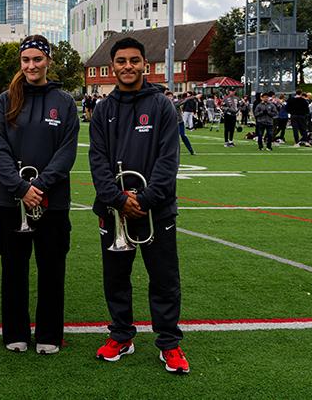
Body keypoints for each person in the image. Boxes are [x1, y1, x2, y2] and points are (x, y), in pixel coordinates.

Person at [88, 37, 188, 374]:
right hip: (114, 209)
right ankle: (121, 335)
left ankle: (169, 343)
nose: (127, 66)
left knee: (163, 278)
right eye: (121, 61)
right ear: (113, 66)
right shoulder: (103, 109)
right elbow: (97, 160)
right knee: (116, 277)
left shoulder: (161, 106)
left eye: (134, 60)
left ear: (145, 63)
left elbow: (167, 160)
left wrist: (144, 200)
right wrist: (118, 199)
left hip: (155, 209)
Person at [0, 35, 79, 355]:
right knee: (13, 269)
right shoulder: (5, 100)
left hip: (51, 201)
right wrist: (20, 187)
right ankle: (15, 332)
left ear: (48, 62)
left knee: (52, 269)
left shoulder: (65, 101)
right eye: (26, 60)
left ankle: (49, 334)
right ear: (20, 63)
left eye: (37, 59)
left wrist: (39, 186)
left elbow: (67, 152)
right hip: (10, 200)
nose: (31, 65)